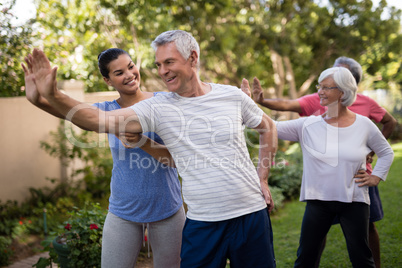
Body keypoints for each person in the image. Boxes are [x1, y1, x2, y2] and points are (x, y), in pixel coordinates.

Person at [26, 30, 278, 268]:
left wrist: (261, 175)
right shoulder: (149, 106)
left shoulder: (202, 98)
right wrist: (48, 96)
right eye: (158, 65)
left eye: (168, 62)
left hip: (211, 210)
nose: (162, 71)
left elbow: (262, 129)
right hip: (166, 215)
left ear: (192, 58)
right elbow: (89, 118)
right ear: (108, 79)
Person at [22, 48, 185, 268]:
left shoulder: (164, 102)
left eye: (130, 67)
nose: (129, 74)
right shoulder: (106, 111)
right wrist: (38, 101)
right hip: (123, 210)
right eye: (119, 73)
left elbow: (177, 158)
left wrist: (142, 141)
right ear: (107, 80)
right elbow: (75, 113)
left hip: (167, 209)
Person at [249, 56, 397, 268]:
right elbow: (268, 126)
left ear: (343, 92)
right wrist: (248, 103)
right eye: (320, 86)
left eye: (327, 87)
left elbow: (386, 152)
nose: (320, 91)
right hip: (318, 202)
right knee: (306, 259)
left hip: (354, 201)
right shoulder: (307, 125)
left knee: (362, 259)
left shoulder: (364, 125)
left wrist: (376, 176)